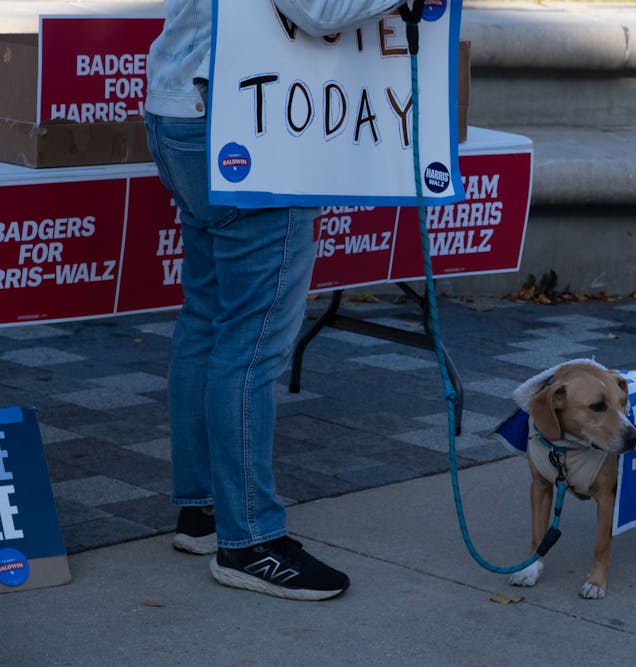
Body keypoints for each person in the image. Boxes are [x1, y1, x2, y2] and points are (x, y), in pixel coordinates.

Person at [144, 0, 403, 600]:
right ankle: (249, 540)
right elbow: (320, 8)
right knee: (250, 341)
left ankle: (204, 511)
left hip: (187, 106)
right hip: (244, 118)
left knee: (209, 321)